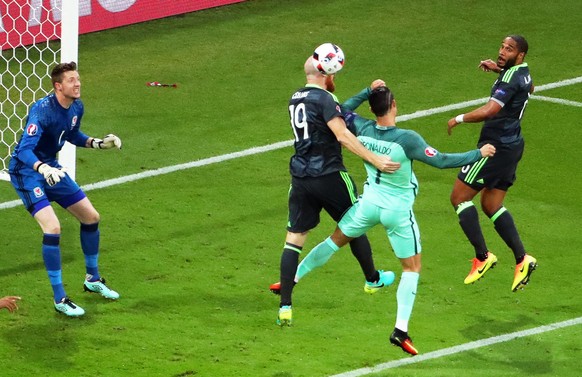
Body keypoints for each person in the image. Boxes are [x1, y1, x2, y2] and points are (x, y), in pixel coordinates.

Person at [293, 83, 495, 355]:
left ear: (373, 108)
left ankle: (290, 278)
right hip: (397, 213)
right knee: (411, 268)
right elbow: (443, 160)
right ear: (395, 105)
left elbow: (340, 111)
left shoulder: (361, 128)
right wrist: (478, 154)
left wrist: (366, 92)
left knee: (333, 241)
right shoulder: (407, 139)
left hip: (368, 205)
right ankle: (400, 330)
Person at [274, 56, 401, 327]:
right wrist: (375, 159)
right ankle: (373, 279)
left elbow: (337, 109)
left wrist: (367, 92)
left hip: (300, 177)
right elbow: (343, 135)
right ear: (327, 75)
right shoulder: (326, 100)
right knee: (354, 223)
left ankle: (285, 306)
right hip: (330, 174)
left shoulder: (296, 98)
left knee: (294, 239)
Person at [8, 62, 121, 317]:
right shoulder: (41, 110)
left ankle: (92, 279)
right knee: (53, 228)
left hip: (51, 168)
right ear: (58, 86)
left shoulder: (76, 107)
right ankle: (60, 298)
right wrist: (41, 169)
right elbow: (24, 150)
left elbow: (71, 134)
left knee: (91, 217)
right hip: (27, 172)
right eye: (71, 80)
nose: (78, 83)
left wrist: (98, 144)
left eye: (78, 78)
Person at [447, 35, 537, 292]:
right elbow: (529, 88)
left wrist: (459, 118)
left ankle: (483, 257)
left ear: (520, 56)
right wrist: (499, 70)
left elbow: (489, 111)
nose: (501, 51)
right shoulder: (523, 74)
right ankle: (522, 259)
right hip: (513, 146)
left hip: (494, 148)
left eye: (509, 49)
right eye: (501, 46)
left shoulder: (511, 78)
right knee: (491, 204)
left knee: (459, 197)